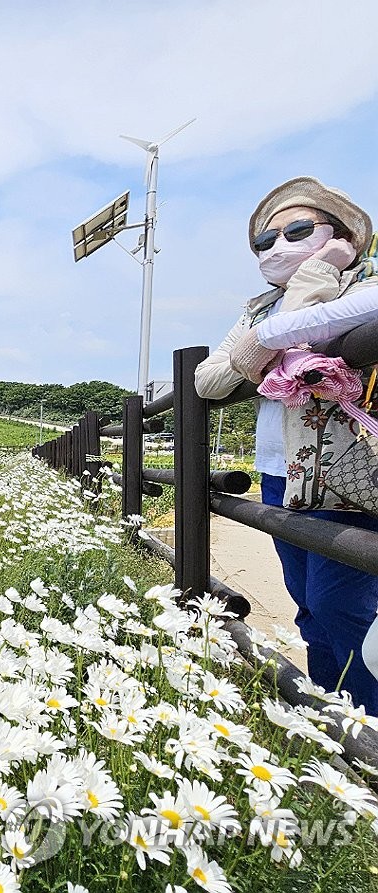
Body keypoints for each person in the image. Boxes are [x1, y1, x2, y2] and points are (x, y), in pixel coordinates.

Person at [195, 176, 378, 711]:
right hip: (281, 472)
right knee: (307, 606)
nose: (278, 246)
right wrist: (265, 338)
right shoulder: (258, 310)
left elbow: (299, 332)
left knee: (340, 603)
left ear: (342, 237)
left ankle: (365, 724)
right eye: (264, 241)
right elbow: (207, 382)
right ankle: (333, 721)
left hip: (345, 470)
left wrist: (316, 282)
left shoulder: (362, 290)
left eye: (297, 230)